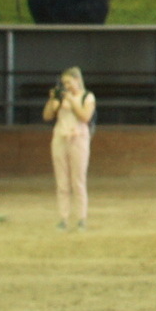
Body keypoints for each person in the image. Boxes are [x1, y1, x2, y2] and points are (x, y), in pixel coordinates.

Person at [43, 67, 95, 231]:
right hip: (60, 138)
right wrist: (52, 100)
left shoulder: (87, 97)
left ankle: (81, 218)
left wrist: (72, 101)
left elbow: (85, 117)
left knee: (78, 181)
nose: (66, 86)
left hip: (79, 139)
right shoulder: (61, 97)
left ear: (78, 80)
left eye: (69, 82)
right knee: (62, 182)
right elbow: (47, 116)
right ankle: (63, 218)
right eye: (64, 83)